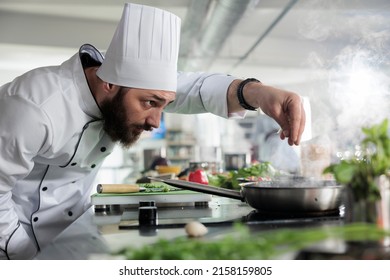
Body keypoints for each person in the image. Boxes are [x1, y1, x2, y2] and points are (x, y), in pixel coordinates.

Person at [0, 3, 305, 260]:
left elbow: (195, 90)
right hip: (14, 242)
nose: (156, 121)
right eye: (150, 103)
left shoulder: (127, 86)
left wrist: (258, 92)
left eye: (164, 104)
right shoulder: (34, 106)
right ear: (110, 83)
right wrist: (27, 259)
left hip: (72, 232)